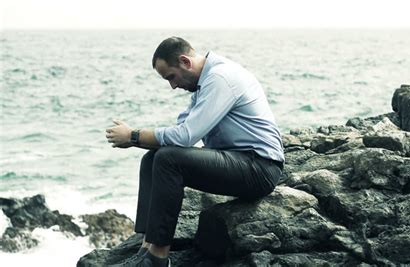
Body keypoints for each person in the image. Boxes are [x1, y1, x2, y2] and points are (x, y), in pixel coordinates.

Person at [105, 37, 284, 267]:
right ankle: (146, 247)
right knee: (152, 159)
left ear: (185, 61)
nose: (172, 85)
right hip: (239, 161)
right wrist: (138, 141)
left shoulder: (220, 78)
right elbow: (178, 133)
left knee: (168, 159)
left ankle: (158, 258)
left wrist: (133, 136)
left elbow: (185, 136)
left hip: (260, 167)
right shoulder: (203, 85)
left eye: (171, 76)